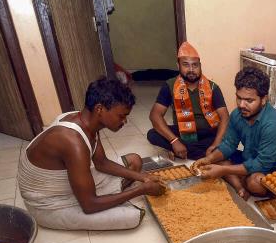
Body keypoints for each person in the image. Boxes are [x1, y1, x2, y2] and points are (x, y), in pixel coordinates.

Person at [18, 78, 166, 230]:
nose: (125, 121)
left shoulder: (85, 120)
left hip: (69, 183)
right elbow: (89, 206)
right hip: (49, 204)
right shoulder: (73, 141)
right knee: (132, 217)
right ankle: (106, 199)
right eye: (121, 116)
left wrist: (143, 177)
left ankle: (104, 197)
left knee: (135, 161)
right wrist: (141, 189)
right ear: (100, 109)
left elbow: (101, 163)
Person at [190, 67, 276, 199]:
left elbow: (262, 164)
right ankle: (241, 188)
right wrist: (208, 160)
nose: (241, 105)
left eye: (249, 101)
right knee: (214, 155)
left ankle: (245, 181)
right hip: (251, 158)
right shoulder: (237, 114)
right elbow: (229, 144)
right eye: (239, 98)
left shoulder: (273, 124)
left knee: (255, 183)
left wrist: (223, 170)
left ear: (263, 100)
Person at [147, 41, 230, 160]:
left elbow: (225, 117)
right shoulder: (170, 85)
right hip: (183, 133)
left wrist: (216, 143)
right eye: (186, 65)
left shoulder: (212, 87)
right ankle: (208, 154)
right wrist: (174, 141)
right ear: (178, 66)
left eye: (195, 65)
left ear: (200, 66)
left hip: (209, 132)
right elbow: (155, 115)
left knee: (227, 133)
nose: (191, 69)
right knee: (152, 134)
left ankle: (189, 151)